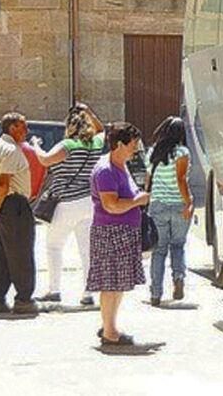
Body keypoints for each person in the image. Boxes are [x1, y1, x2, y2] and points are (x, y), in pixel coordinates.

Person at [32, 103, 105, 306]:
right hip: (89, 203)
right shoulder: (96, 144)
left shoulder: (68, 146)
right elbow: (102, 129)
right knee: (87, 250)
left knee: (54, 246)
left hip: (66, 203)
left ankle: (54, 290)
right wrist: (89, 111)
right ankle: (89, 293)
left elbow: (45, 160)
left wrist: (36, 145)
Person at [88, 122, 149, 345]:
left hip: (121, 231)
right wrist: (138, 201)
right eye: (133, 145)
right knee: (110, 284)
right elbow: (110, 205)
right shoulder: (106, 170)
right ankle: (110, 332)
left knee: (116, 284)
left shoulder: (119, 165)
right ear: (120, 144)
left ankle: (109, 325)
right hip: (111, 232)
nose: (135, 149)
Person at [0, 112, 38, 315]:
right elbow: (3, 183)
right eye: (23, 127)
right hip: (13, 205)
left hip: (0, 204)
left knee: (4, 254)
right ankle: (24, 299)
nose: (27, 131)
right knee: (21, 253)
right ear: (12, 128)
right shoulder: (10, 149)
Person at [146, 116, 193, 306]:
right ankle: (178, 278)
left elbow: (148, 180)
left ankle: (155, 294)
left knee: (158, 250)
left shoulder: (153, 152)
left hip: (157, 205)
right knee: (178, 245)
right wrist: (188, 202)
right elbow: (181, 179)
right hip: (178, 204)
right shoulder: (182, 152)